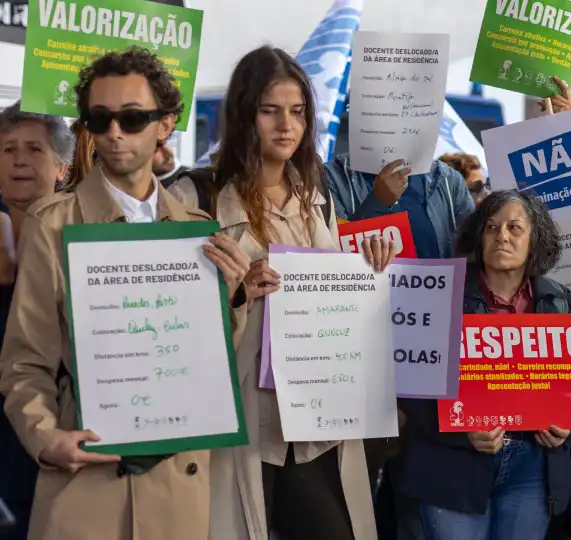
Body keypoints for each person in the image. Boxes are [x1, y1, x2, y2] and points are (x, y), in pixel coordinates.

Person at [0, 47, 252, 540]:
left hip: (178, 487)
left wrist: (232, 297)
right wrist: (45, 436)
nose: (114, 133)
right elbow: (25, 361)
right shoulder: (53, 225)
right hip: (87, 488)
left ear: (165, 124)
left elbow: (211, 363)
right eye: (100, 119)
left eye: (132, 118)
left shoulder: (198, 231)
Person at [167, 46, 394, 540]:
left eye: (297, 112)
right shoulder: (195, 197)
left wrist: (369, 265)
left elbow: (342, 301)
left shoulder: (319, 198)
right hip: (245, 420)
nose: (286, 125)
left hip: (318, 423)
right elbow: (171, 324)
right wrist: (239, 292)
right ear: (244, 114)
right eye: (270, 110)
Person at [394, 190, 571, 540]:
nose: (502, 236)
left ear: (535, 239)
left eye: (514, 228)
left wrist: (570, 426)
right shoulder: (438, 293)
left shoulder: (559, 298)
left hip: (533, 468)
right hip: (453, 466)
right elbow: (408, 384)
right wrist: (461, 430)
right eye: (491, 227)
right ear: (478, 236)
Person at [0, 102, 74, 540]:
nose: (19, 160)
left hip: (57, 439)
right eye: (8, 149)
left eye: (33, 149)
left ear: (62, 167)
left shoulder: (81, 240)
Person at [323, 110, 475, 259]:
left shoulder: (448, 181)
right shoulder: (331, 177)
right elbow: (333, 258)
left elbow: (474, 253)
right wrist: (378, 203)